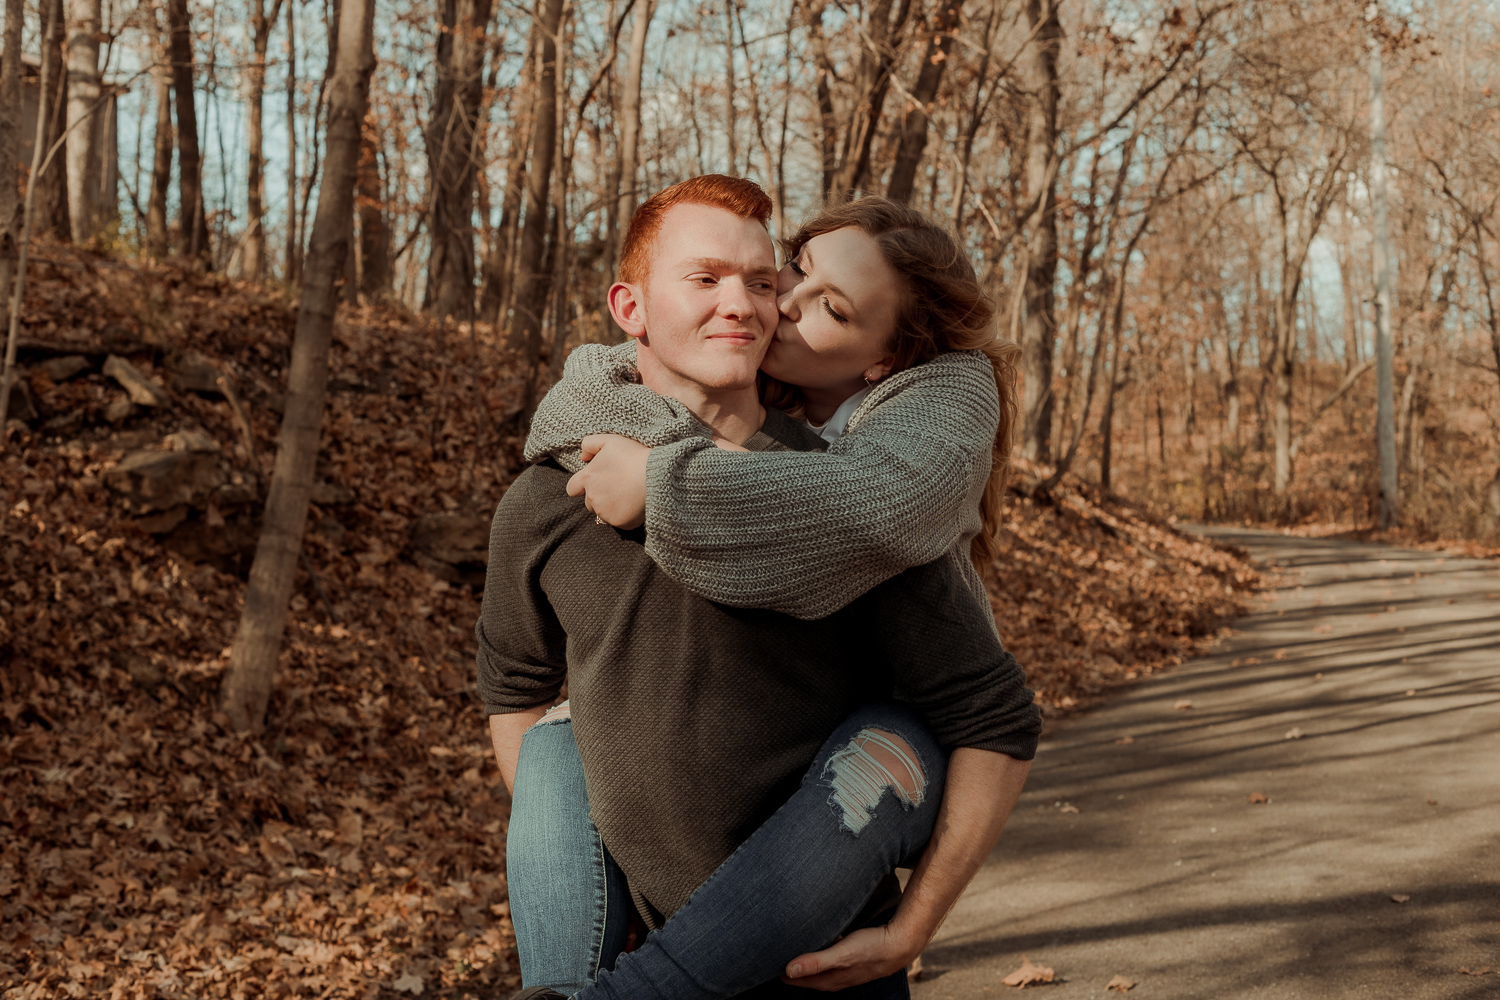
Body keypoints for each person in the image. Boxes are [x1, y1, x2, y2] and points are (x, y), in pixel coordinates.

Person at [479, 176, 1039, 1000]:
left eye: (761, 281)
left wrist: (911, 929)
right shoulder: (547, 499)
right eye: (705, 279)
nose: (744, 304)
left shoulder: (843, 507)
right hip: (639, 947)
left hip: (819, 973)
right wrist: (601, 878)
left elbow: (991, 716)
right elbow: (516, 695)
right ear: (630, 309)